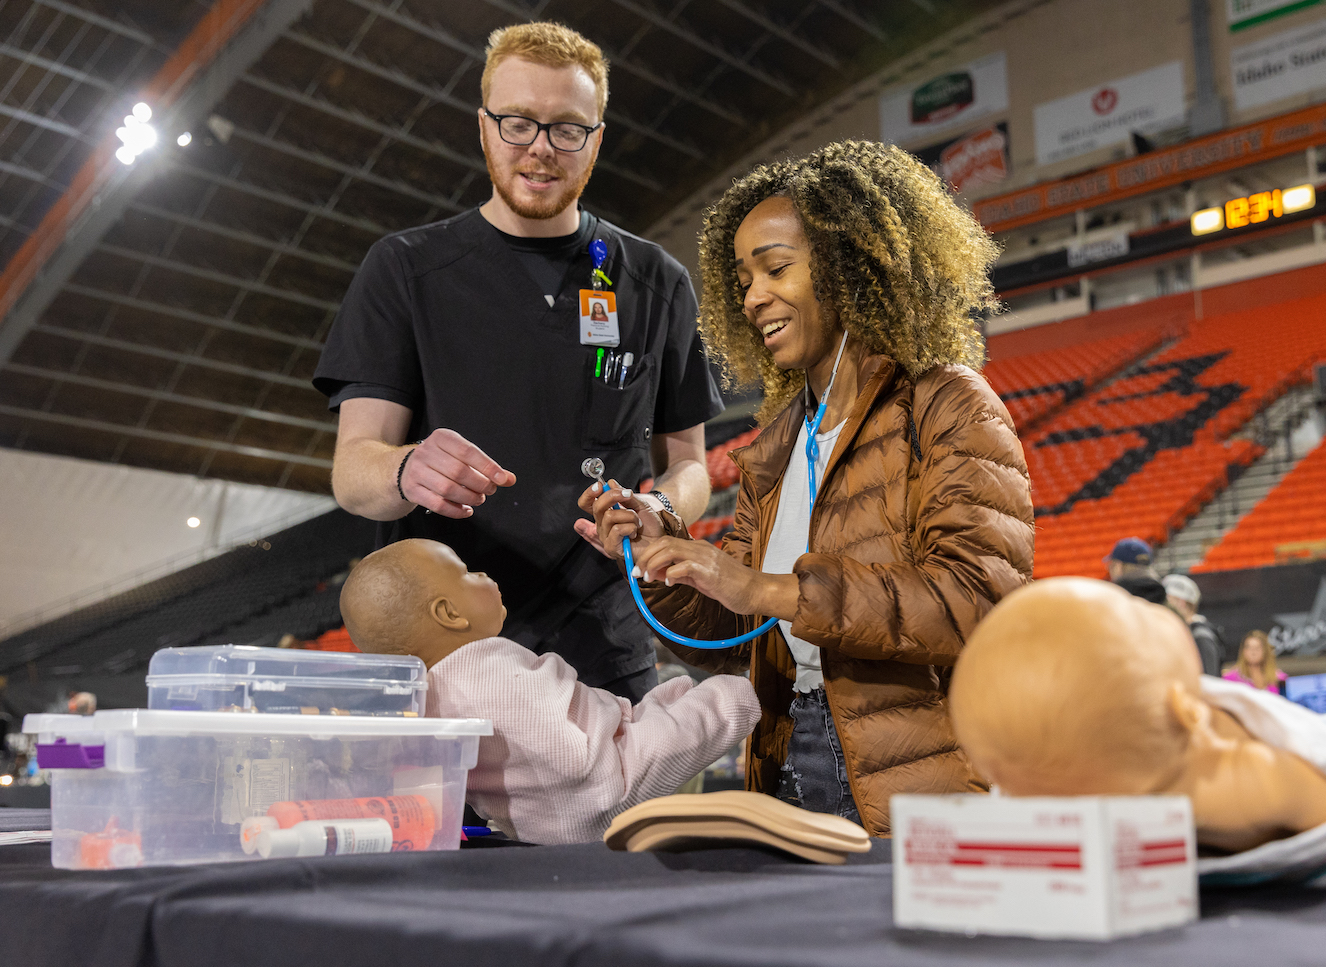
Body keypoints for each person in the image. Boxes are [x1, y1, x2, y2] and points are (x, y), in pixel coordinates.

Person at [581, 141, 1034, 836]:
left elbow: (978, 600)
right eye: (742, 279)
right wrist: (665, 559)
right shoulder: (776, 447)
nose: (753, 295)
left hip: (917, 775)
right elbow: (739, 636)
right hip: (784, 755)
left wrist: (767, 589)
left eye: (776, 268)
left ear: (851, 266)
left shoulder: (948, 404)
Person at [314, 22, 722, 702]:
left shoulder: (655, 281)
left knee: (620, 813)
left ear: (595, 138)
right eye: (518, 123)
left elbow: (690, 466)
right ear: (483, 127)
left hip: (605, 649)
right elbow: (354, 471)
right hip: (450, 648)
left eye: (567, 128)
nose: (540, 148)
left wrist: (659, 506)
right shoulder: (406, 269)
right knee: (451, 816)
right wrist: (407, 467)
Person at [949, 578, 1326, 887]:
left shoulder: (1068, 781)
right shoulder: (1245, 781)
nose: (1158, 611)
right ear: (1186, 710)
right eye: (1143, 615)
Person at [338, 539, 759, 845]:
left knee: (667, 705)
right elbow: (571, 759)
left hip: (540, 827)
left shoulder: (427, 697)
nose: (483, 574)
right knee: (721, 701)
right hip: (607, 788)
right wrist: (614, 738)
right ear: (449, 614)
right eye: (467, 572)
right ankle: (759, 691)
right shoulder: (490, 666)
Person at [1163, 573, 1224, 676]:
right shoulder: (1186, 632)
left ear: (1181, 603)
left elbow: (1208, 681)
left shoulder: (1201, 636)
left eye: (1168, 601)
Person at [1104, 537, 1166, 604]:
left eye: (1111, 565)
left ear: (1118, 566)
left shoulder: (1115, 598)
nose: (1109, 570)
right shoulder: (1164, 594)